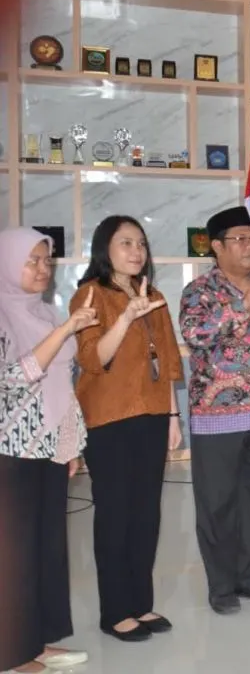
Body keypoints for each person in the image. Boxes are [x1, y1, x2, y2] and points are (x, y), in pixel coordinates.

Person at [71, 216, 184, 641]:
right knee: (115, 515)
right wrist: (125, 317)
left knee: (146, 514)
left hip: (152, 416)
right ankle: (114, 611)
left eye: (141, 243)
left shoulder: (154, 296)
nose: (136, 251)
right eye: (125, 243)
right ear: (106, 248)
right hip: (109, 420)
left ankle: (140, 603)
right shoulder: (90, 294)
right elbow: (92, 358)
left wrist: (173, 417)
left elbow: (167, 362)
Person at [179, 207, 250, 615]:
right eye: (240, 239)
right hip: (218, 416)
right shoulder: (200, 290)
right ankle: (222, 586)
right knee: (218, 503)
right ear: (217, 246)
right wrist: (241, 307)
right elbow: (195, 335)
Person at [0, 228, 91, 674]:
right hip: (10, 450)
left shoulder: (46, 311)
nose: (42, 269)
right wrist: (67, 329)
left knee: (45, 548)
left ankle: (35, 641)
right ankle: (10, 653)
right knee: (13, 555)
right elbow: (16, 376)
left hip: (49, 445)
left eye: (46, 260)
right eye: (31, 260)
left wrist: (68, 444)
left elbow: (63, 382)